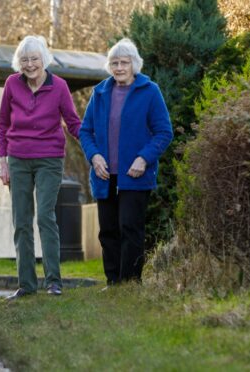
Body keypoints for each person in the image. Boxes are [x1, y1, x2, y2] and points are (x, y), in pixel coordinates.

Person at [79, 38, 173, 288]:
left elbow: (164, 132)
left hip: (134, 174)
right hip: (103, 174)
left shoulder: (150, 91)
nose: (119, 68)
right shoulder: (99, 93)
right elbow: (85, 131)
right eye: (114, 63)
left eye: (124, 62)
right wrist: (94, 156)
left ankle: (130, 283)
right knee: (107, 231)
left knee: (130, 228)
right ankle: (113, 283)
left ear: (135, 64)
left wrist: (144, 158)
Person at [0, 35, 81, 300]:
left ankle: (54, 281)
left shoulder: (59, 87)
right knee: (21, 221)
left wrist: (94, 145)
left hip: (49, 159)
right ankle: (26, 284)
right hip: (18, 159)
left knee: (45, 216)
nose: (30, 64)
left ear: (43, 59)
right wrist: (3, 161)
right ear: (18, 62)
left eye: (34, 59)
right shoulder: (12, 83)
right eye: (24, 60)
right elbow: (2, 124)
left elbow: (72, 121)